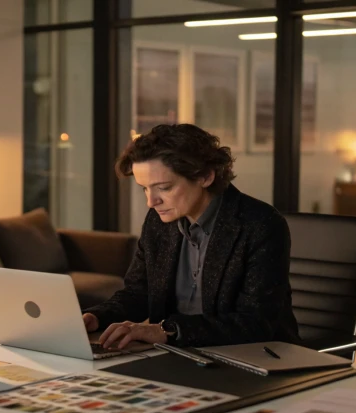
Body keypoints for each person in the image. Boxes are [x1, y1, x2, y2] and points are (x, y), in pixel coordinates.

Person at [82, 123, 299, 349]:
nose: (151, 201)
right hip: (174, 354)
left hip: (255, 357)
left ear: (205, 176)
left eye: (164, 188)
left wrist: (167, 331)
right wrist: (96, 317)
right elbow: (138, 293)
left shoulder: (260, 224)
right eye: (144, 188)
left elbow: (255, 322)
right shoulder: (158, 221)